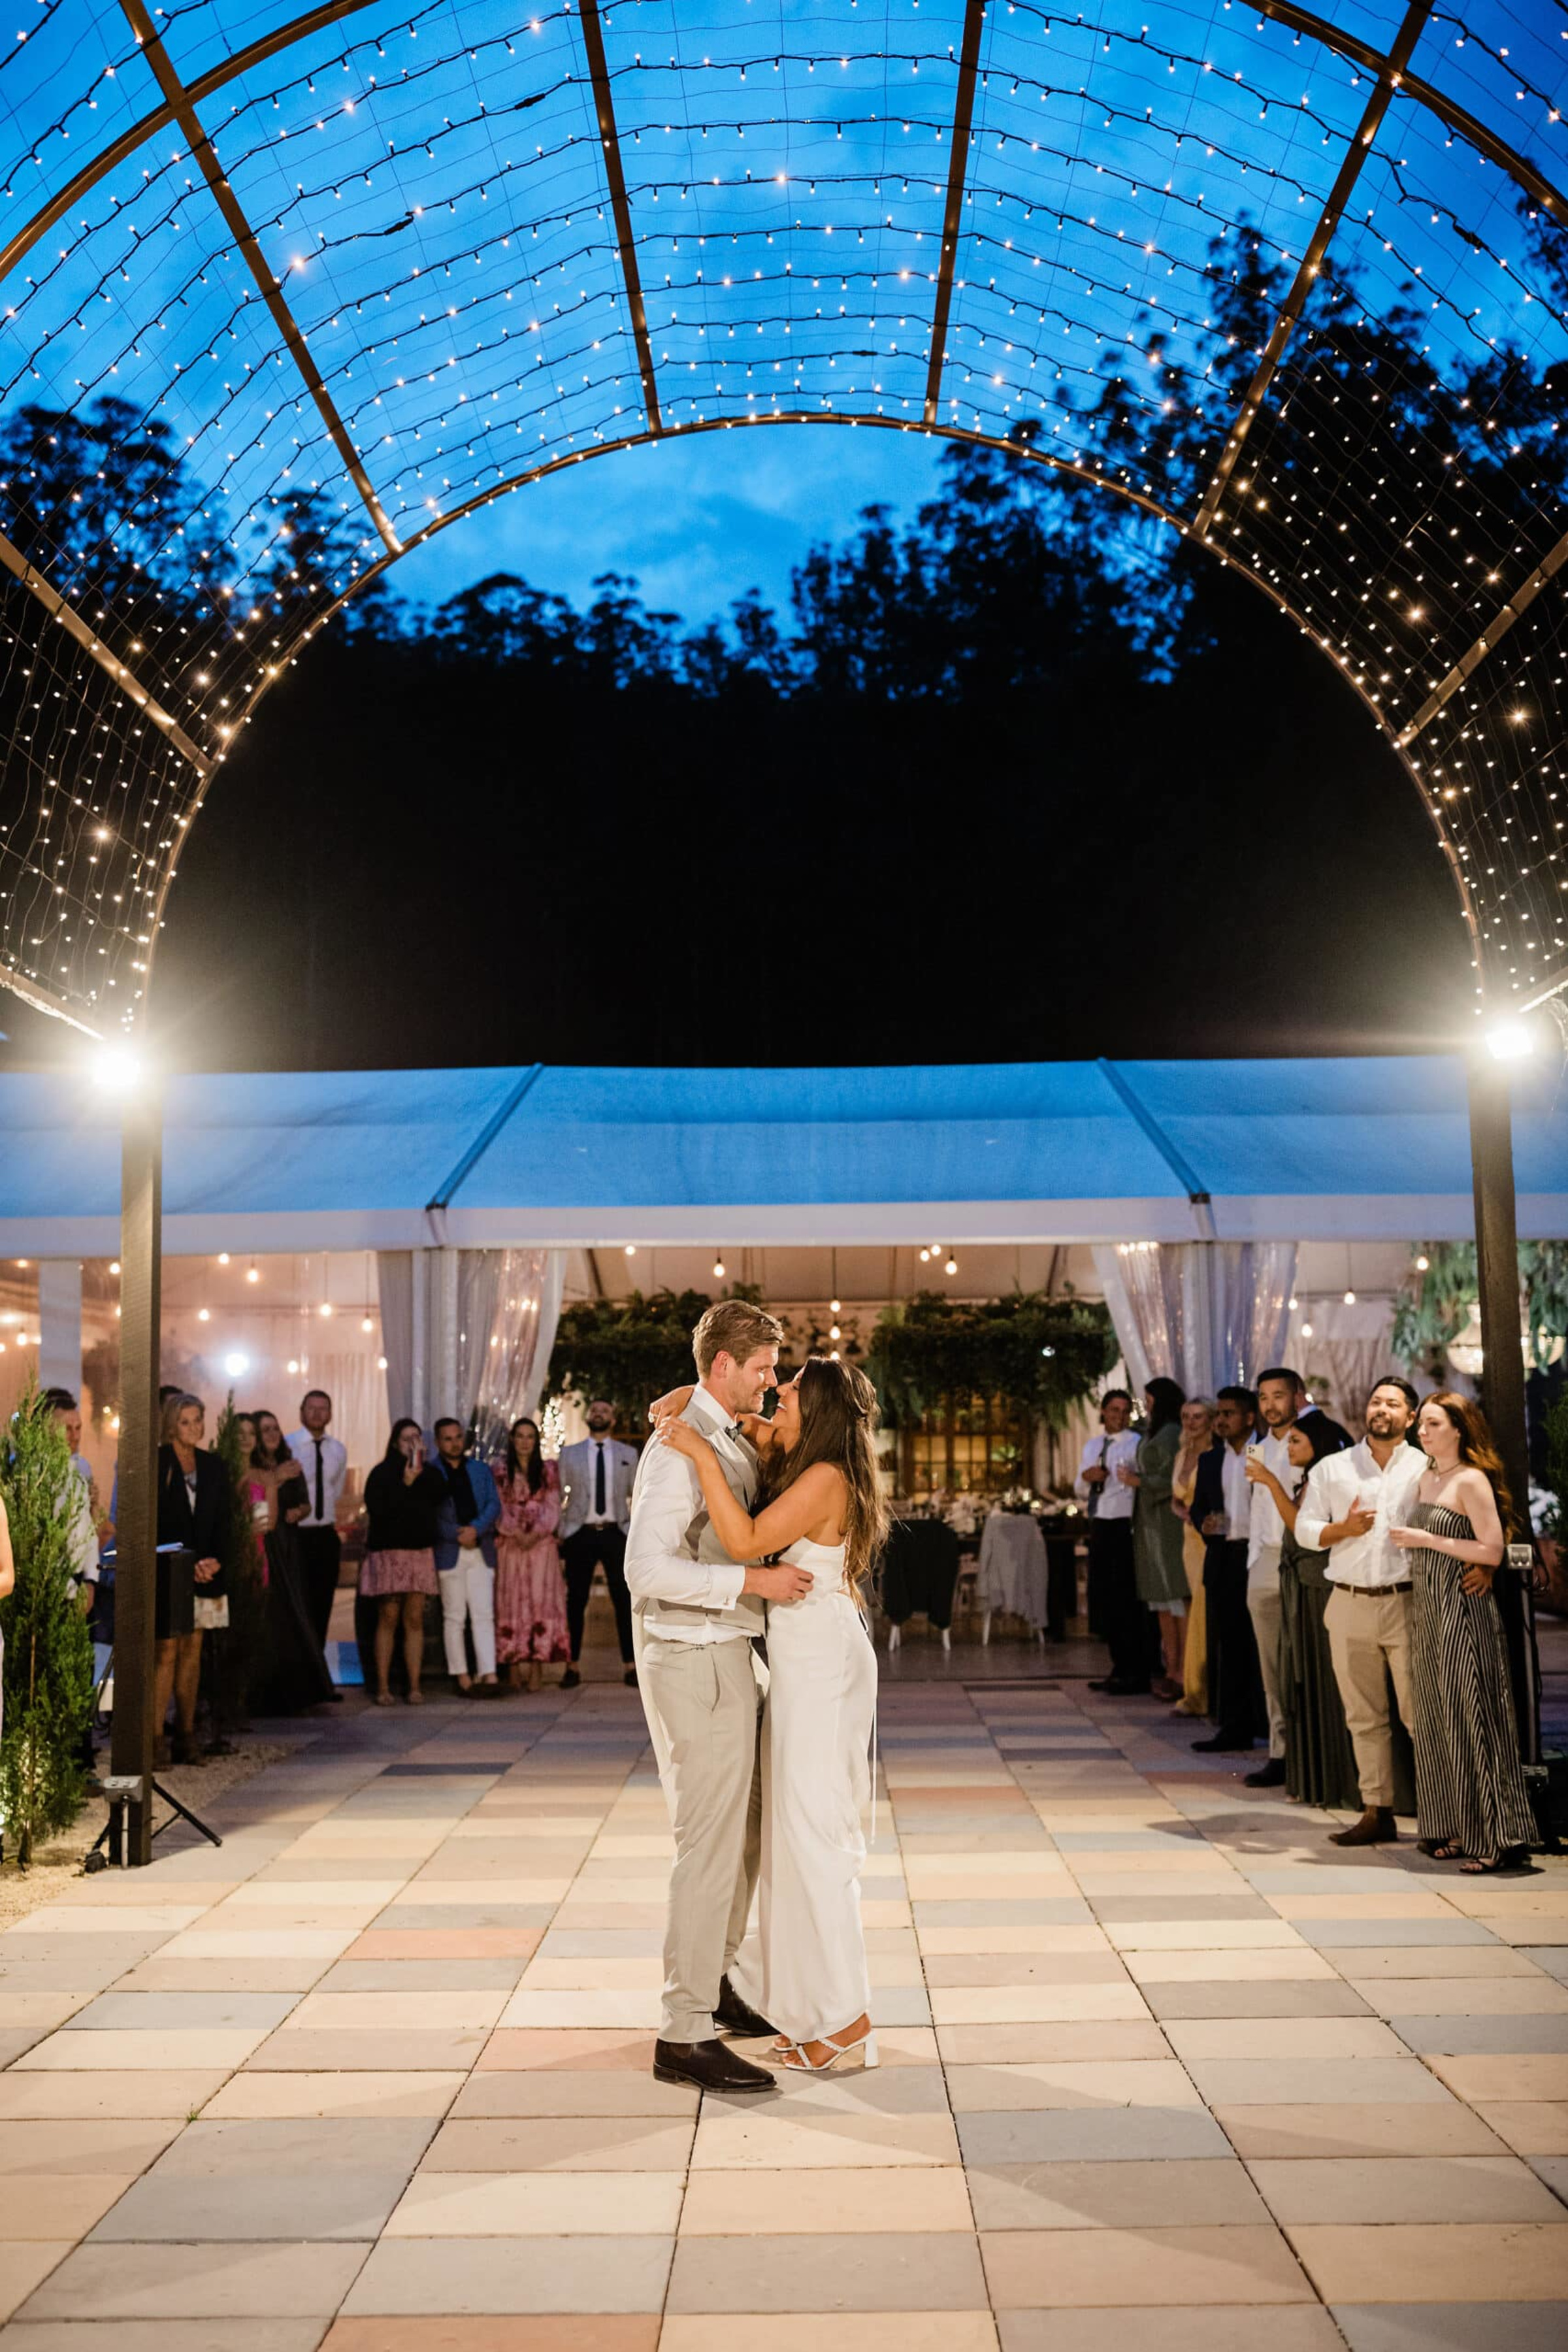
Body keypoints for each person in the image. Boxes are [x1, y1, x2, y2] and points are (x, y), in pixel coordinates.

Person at [659, 1351, 888, 2078]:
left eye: (788, 1391)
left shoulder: (824, 1477)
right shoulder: (801, 1457)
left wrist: (696, 1450)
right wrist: (700, 1404)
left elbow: (747, 1543)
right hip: (804, 1661)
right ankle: (818, 2010)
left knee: (815, 1834)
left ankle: (846, 2017)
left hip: (821, 1664)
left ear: (814, 1410)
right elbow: (690, 1402)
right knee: (795, 1835)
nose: (773, 1395)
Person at [624, 1298, 806, 2095]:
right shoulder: (674, 1453)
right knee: (709, 1844)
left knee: (751, 1831)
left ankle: (717, 1978)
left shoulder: (715, 1429)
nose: (773, 1378)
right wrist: (752, 1580)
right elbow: (646, 1571)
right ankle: (683, 2029)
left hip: (732, 1655)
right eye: (763, 1365)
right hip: (695, 1662)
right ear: (725, 1364)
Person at [1391, 1392, 1536, 1873]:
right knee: (1437, 1719)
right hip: (1428, 1611)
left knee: (1473, 1716)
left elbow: (1492, 1550)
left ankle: (1496, 1835)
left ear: (1459, 1428)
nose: (1423, 1432)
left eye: (1433, 1423)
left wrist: (1427, 1539)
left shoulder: (1470, 1480)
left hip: (1463, 1610)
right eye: (1422, 1425)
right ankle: (1454, 1824)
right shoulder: (1425, 1477)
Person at [1296, 1377, 1426, 1847]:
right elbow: (1304, 1529)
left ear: (1410, 1417)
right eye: (1376, 1401)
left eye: (1393, 1403)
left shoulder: (1426, 1466)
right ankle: (1377, 1810)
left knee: (1420, 1715)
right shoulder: (1333, 1468)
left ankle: (1443, 1815)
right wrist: (1342, 1528)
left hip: (1409, 1602)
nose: (1381, 1409)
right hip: (1349, 1602)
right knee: (1363, 1715)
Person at [1249, 1414, 1360, 1810]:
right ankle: (1313, 1776)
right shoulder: (1308, 1479)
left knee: (1321, 1681)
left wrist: (1270, 1484)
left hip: (1317, 1590)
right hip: (1300, 1585)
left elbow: (1303, 1529)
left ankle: (1335, 1778)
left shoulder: (1322, 1479)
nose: (1289, 1448)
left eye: (1296, 1441)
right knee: (1300, 1677)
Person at [154, 1391, 229, 1766]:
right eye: (185, 1421)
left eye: (198, 1419)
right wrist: (187, 1561)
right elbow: (154, 1522)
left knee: (193, 1652)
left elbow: (224, 1520)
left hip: (207, 1572)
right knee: (166, 1651)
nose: (194, 1428)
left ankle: (187, 1735)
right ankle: (155, 1739)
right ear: (171, 1424)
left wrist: (214, 1561)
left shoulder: (213, 1466)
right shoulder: (158, 1463)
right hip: (169, 1571)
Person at [1191, 1385, 1266, 1756]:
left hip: (1260, 1556)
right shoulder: (1210, 1460)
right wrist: (1202, 1522)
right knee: (1231, 1647)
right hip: (1225, 1558)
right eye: (1218, 1414)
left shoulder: (1264, 1452)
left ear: (1249, 1418)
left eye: (1228, 1414)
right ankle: (1234, 1727)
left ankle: (1267, 1724)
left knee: (1263, 1646)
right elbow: (1198, 1508)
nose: (1220, 1420)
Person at [248, 1408, 334, 1716]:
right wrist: (275, 1480)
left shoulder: (290, 1465)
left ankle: (302, 1689)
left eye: (275, 1428)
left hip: (288, 1545)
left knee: (295, 1612)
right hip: (264, 1543)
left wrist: (300, 1510)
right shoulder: (252, 1468)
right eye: (265, 1429)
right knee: (270, 1615)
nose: (271, 1434)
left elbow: (305, 1502)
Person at [361, 1419, 446, 1706]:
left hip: (419, 1552)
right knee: (388, 1616)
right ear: (396, 1442)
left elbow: (439, 1496)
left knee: (414, 1619)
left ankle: (414, 1685)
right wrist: (405, 1483)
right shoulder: (382, 1473)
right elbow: (379, 1509)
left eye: (417, 1438)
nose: (412, 1443)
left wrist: (419, 1476)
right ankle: (383, 1686)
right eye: (407, 1438)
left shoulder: (430, 1473)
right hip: (389, 1553)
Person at [557, 1400, 639, 1689]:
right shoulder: (569, 1454)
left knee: (624, 1599)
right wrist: (561, 1530)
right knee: (576, 1600)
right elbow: (558, 1494)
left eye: (605, 1411)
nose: (599, 1414)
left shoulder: (628, 1454)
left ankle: (631, 1665)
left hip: (616, 1533)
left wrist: (633, 1530)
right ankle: (572, 1665)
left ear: (613, 1419)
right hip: (581, 1532)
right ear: (588, 1417)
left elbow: (638, 1495)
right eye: (594, 1410)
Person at [1076, 1390, 1151, 1695]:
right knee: (1105, 1596)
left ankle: (1135, 1669)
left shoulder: (1136, 1444)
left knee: (1125, 1598)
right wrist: (1087, 1477)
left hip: (1124, 1523)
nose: (1119, 1416)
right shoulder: (1094, 1444)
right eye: (1114, 1410)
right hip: (1100, 1523)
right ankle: (1117, 1666)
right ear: (1104, 1412)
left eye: (1124, 1411)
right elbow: (1080, 1488)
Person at [1122, 1377, 1188, 1701]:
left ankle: (1183, 1671)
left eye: (1149, 1400)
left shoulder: (1173, 1433)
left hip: (1167, 1520)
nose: (1145, 1406)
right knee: (1160, 1599)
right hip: (1150, 1521)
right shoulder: (1153, 1432)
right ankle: (1170, 1666)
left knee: (1175, 1594)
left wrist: (1140, 1481)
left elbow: (1177, 1476)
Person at [493, 1417, 568, 1691]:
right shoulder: (500, 1470)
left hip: (541, 1548)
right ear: (513, 1440)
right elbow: (498, 1505)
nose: (525, 1441)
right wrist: (515, 1532)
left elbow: (553, 1505)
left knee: (540, 1602)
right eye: (520, 1436)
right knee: (511, 1604)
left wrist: (535, 1533)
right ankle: (513, 1663)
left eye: (530, 1437)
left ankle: (537, 1666)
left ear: (536, 1441)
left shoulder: (548, 1470)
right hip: (511, 1547)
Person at [431, 1417, 502, 1694]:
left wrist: (476, 1529)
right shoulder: (431, 1472)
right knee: (454, 1616)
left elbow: (493, 1504)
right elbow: (432, 1515)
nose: (454, 1443)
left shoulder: (480, 1470)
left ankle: (489, 1673)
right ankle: (461, 1675)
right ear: (438, 1442)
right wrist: (456, 1533)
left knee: (484, 1614)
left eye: (458, 1437)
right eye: (447, 1438)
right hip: (450, 1551)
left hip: (480, 1548)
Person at [286, 1390, 348, 1655]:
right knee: (298, 1606)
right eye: (311, 1408)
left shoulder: (338, 1449)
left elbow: (336, 1487)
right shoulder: (288, 1446)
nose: (317, 1414)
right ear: (302, 1412)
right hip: (297, 1534)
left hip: (325, 1534)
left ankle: (319, 1673)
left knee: (323, 1604)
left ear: (331, 1414)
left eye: (323, 1409)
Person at [1170, 1396, 1214, 1716]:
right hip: (1188, 1540)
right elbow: (1176, 1497)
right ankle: (1194, 1688)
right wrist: (1180, 1510)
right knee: (1191, 1610)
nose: (1191, 1422)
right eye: (1186, 1416)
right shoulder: (1182, 1453)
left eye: (1198, 1416)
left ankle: (1204, 1691)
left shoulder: (1216, 1455)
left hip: (1208, 1539)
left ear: (1210, 1419)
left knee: (1204, 1611)